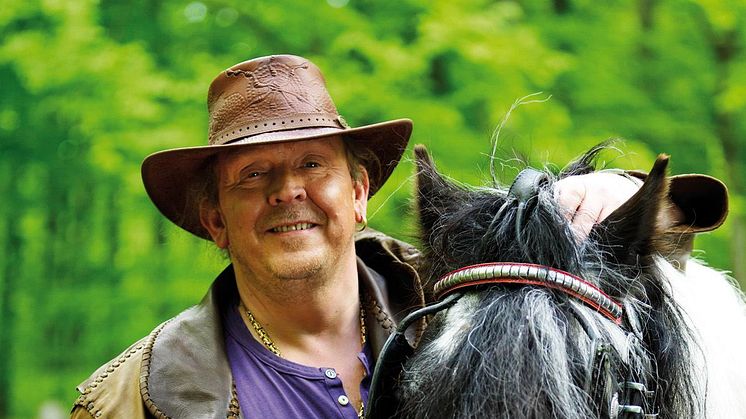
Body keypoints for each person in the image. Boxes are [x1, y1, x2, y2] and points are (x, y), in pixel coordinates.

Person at [71, 54, 727, 418]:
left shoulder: (465, 306)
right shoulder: (130, 400)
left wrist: (620, 191)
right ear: (215, 219)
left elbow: (651, 295)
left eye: (312, 165)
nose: (287, 191)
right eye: (253, 176)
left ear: (358, 195)